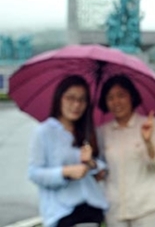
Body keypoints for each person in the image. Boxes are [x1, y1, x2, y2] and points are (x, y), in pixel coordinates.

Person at [28, 75, 108, 227]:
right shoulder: (44, 132)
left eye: (82, 100)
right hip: (63, 212)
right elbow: (34, 172)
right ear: (59, 98)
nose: (76, 105)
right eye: (70, 98)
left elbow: (103, 168)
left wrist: (91, 163)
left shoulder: (88, 131)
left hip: (92, 208)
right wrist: (65, 172)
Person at [97, 74, 155, 227]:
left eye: (121, 95)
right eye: (110, 98)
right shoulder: (102, 132)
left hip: (146, 209)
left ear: (132, 97)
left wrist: (147, 142)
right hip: (115, 210)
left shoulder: (149, 124)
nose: (116, 102)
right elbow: (101, 168)